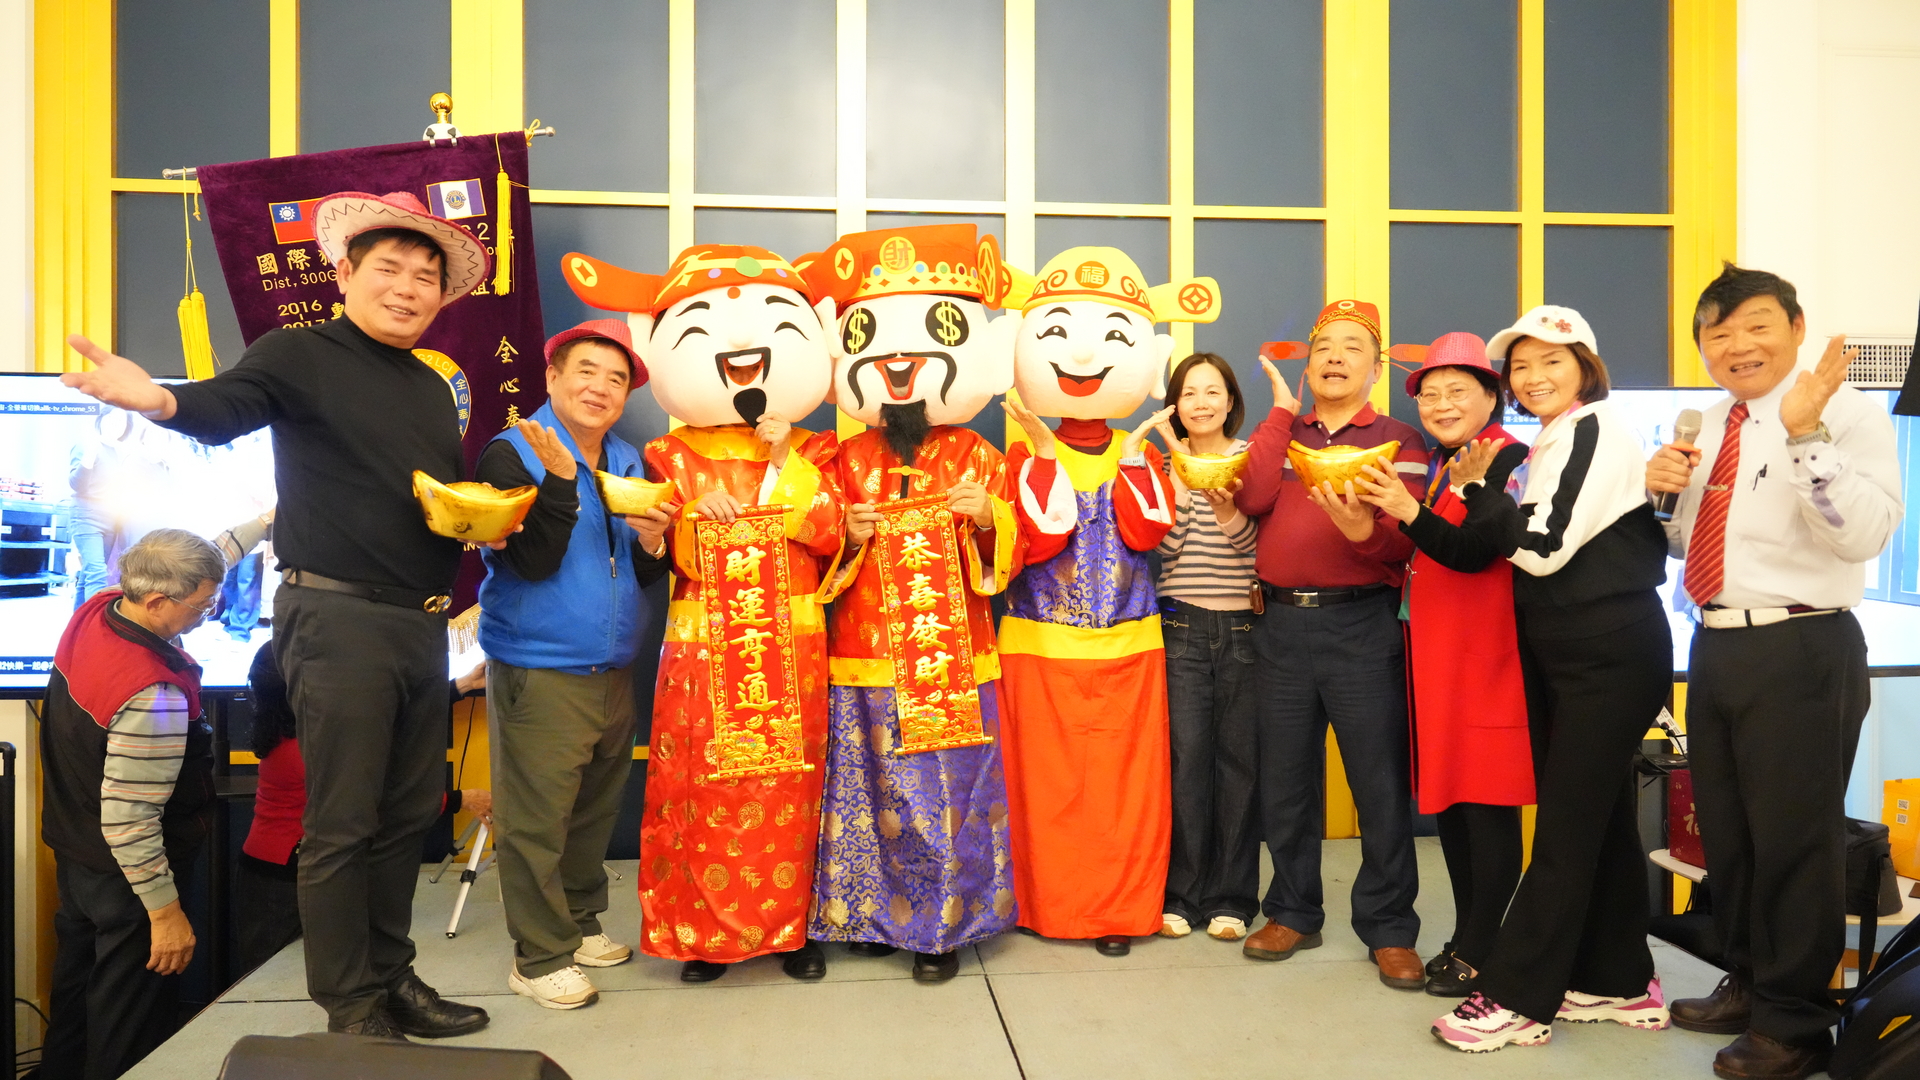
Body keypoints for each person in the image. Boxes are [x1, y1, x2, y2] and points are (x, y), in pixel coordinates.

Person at [59, 190, 496, 1039]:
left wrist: (483, 519)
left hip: (418, 622)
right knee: (344, 820)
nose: (408, 288)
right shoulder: (300, 352)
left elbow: (421, 501)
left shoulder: (429, 385)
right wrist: (160, 401)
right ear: (345, 273)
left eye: (426, 277)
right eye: (390, 268)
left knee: (408, 813)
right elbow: (225, 409)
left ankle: (391, 976)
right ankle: (351, 1005)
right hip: (337, 616)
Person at [562, 244, 846, 983]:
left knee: (794, 786)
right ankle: (700, 932)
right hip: (706, 650)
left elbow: (830, 533)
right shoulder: (667, 455)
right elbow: (660, 549)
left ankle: (793, 928)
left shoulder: (814, 449)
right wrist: (691, 516)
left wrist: (784, 462)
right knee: (702, 788)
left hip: (792, 646)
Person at [1648, 266, 1902, 1080]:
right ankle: (1752, 983)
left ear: (1796, 328)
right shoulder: (1716, 420)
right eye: (1717, 333)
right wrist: (1662, 499)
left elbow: (1862, 534)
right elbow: (1699, 544)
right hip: (1718, 643)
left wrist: (1804, 437)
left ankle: (1794, 1024)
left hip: (1803, 644)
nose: (1737, 345)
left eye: (1756, 325)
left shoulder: (1844, 413)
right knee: (1730, 834)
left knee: (1794, 842)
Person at [1431, 305, 1675, 1052]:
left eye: (1552, 362)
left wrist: (1478, 492)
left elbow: (1540, 548)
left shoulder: (1593, 429)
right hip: (1573, 652)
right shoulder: (1557, 436)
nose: (1534, 377)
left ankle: (1516, 997)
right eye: (1522, 365)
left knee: (1566, 831)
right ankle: (1619, 981)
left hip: (1608, 653)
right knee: (1599, 821)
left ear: (1585, 368)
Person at [798, 224, 1028, 982]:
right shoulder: (841, 460)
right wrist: (850, 533)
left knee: (945, 796)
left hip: (949, 661)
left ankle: (940, 929)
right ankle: (868, 916)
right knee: (865, 791)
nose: (898, 366)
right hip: (863, 657)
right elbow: (814, 550)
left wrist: (988, 517)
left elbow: (1011, 553)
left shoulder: (978, 455)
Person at [998, 245, 1219, 956]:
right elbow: (1033, 545)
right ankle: (1046, 905)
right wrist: (1042, 456)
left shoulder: (1140, 450)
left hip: (1130, 647)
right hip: (1037, 649)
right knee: (1046, 787)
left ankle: (1119, 909)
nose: (1083, 356)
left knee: (1126, 788)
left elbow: (1147, 532)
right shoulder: (1020, 454)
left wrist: (1130, 462)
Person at [476, 318, 674, 1009]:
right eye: (586, 371)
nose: (600, 388)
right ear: (553, 376)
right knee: (534, 821)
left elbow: (645, 573)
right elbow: (530, 562)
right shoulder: (512, 453)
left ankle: (581, 923)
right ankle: (538, 957)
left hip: (613, 665)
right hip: (542, 666)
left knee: (593, 811)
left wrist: (655, 544)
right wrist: (561, 482)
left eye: (616, 379)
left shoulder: (627, 460)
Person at [1232, 299, 1429, 989]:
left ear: (1375, 367)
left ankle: (1390, 927)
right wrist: (1280, 414)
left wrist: (1361, 534)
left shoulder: (1399, 439)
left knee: (1379, 782)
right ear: (1308, 364)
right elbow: (1252, 497)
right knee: (1285, 781)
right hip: (1279, 627)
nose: (1336, 357)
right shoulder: (1285, 434)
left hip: (1361, 625)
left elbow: (1406, 542)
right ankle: (1292, 911)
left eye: (1352, 347)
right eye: (1323, 347)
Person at [1353, 332, 1533, 997]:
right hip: (1440, 659)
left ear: (1492, 395)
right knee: (1454, 804)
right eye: (1429, 394)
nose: (1440, 404)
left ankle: (1484, 948)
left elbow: (1478, 549)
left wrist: (1404, 512)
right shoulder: (1446, 463)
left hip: (1487, 660)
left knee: (1486, 806)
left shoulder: (1509, 458)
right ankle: (1466, 935)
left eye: (1458, 390)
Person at [40, 529, 221, 1079]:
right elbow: (131, 818)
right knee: (127, 1028)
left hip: (78, 858)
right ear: (158, 601)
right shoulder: (151, 692)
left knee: (76, 1007)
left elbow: (204, 560)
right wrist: (165, 915)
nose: (207, 615)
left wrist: (265, 521)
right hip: (131, 884)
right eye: (203, 606)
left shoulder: (97, 610)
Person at [235, 642, 492, 978]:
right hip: (283, 879)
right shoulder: (310, 748)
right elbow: (384, 800)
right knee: (276, 979)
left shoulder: (292, 728)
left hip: (277, 868)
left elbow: (389, 721)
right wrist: (461, 799)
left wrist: (462, 685)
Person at [1149, 352, 1261, 943]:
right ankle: (1182, 895)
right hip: (1180, 628)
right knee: (1185, 762)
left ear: (1230, 400)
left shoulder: (1251, 460)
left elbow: (1256, 550)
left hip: (1245, 628)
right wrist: (1178, 477)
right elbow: (1164, 551)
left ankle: (1233, 899)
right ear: (1175, 406)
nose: (1201, 402)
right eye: (1189, 393)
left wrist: (1225, 508)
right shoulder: (1159, 465)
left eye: (1212, 391)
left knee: (1239, 765)